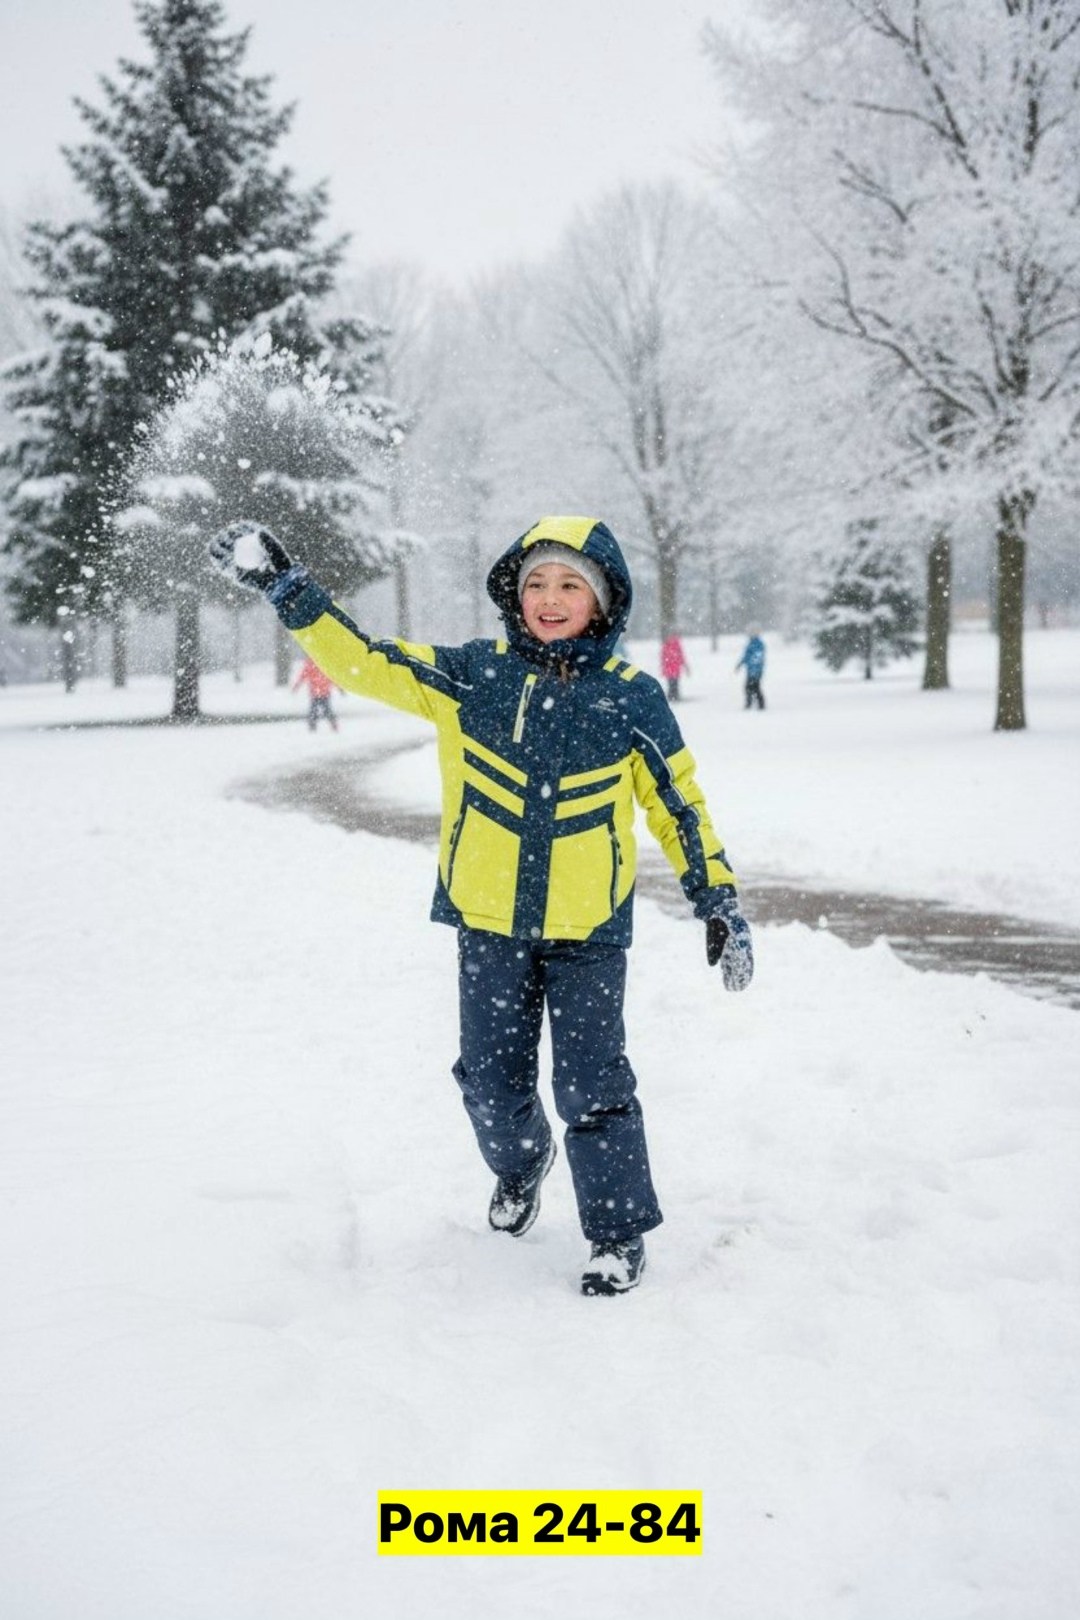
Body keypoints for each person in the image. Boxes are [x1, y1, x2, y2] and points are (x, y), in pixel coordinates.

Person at [208, 515, 753, 1296]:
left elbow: (680, 803)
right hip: (487, 920)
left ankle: (616, 1233)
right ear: (514, 593)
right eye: (536, 582)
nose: (551, 597)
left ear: (603, 602)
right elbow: (365, 662)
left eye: (571, 584)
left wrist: (718, 899)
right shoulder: (474, 677)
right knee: (491, 1085)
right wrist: (290, 591)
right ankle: (524, 1162)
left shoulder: (630, 700)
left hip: (588, 930)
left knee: (593, 1086)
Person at [292, 654, 339, 731]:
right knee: (319, 711)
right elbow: (303, 676)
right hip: (318, 692)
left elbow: (303, 676)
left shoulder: (314, 664)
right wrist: (297, 686)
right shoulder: (320, 663)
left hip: (321, 692)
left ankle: (316, 726)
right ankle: (316, 726)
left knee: (319, 711)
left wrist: (297, 686)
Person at [735, 629, 766, 710]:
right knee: (749, 687)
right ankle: (751, 703)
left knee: (754, 687)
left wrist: (755, 669)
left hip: (756, 671)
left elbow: (758, 658)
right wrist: (740, 664)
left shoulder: (758, 644)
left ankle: (759, 704)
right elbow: (746, 656)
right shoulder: (751, 644)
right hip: (751, 670)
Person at [660, 632, 690, 702]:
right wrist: (685, 666)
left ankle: (672, 695)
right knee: (674, 682)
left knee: (671, 683)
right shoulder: (674, 644)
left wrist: (663, 667)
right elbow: (681, 656)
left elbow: (663, 657)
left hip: (670, 668)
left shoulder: (667, 644)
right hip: (674, 668)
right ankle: (674, 695)